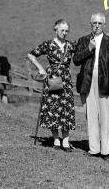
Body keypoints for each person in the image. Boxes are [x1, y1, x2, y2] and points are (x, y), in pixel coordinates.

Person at [73, 13, 109, 160]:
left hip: (105, 82)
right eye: (94, 23)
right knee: (91, 116)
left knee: (104, 117)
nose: (96, 26)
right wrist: (88, 48)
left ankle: (105, 151)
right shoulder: (84, 40)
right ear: (90, 24)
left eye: (99, 23)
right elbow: (76, 60)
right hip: (87, 81)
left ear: (104, 25)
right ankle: (94, 149)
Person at [27, 19, 76, 151]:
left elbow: (81, 55)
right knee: (52, 108)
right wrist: (40, 69)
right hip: (52, 79)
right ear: (56, 29)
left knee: (66, 108)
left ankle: (65, 141)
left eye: (67, 31)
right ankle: (56, 140)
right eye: (62, 30)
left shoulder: (70, 45)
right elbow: (31, 55)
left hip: (65, 80)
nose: (64, 33)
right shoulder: (48, 44)